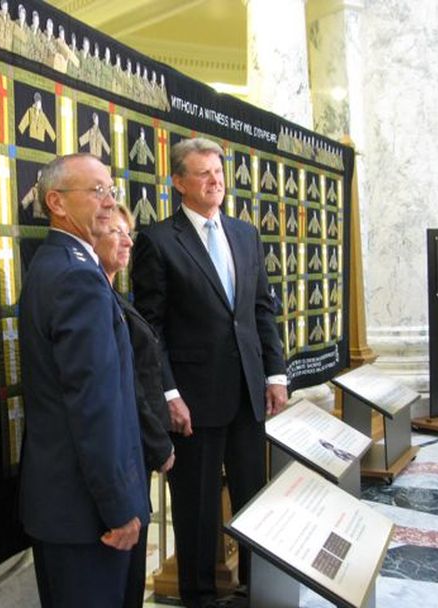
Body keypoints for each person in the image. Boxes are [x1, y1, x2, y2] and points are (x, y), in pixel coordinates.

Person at [131, 137, 288, 608]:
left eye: (218, 173)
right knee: (197, 509)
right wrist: (168, 393)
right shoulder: (158, 241)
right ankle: (198, 597)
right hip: (193, 403)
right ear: (178, 181)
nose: (215, 181)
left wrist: (275, 374)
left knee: (254, 501)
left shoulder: (244, 234)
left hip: (247, 394)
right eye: (203, 174)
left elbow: (261, 308)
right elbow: (150, 327)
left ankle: (255, 590)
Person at [18, 154, 148, 607]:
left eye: (111, 190)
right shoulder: (77, 278)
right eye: (96, 192)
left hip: (69, 511)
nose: (110, 203)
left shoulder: (59, 264)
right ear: (56, 202)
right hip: (88, 517)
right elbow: (95, 406)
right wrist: (119, 507)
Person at [94, 204, 175, 608]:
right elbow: (124, 389)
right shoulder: (95, 298)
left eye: (130, 234)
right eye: (117, 233)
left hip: (135, 452)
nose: (128, 241)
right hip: (125, 455)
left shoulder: (113, 294)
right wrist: (160, 443)